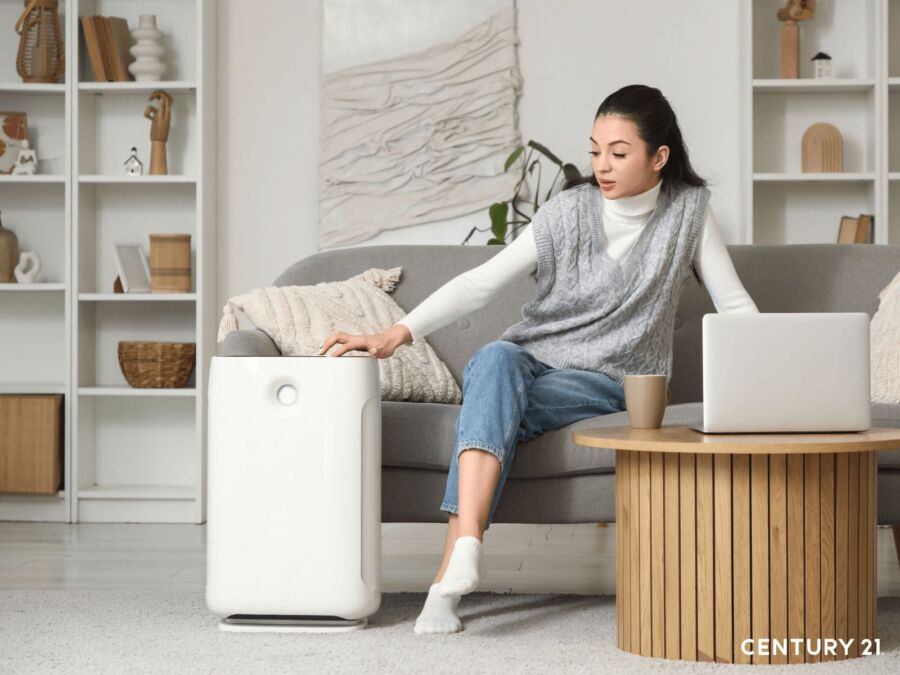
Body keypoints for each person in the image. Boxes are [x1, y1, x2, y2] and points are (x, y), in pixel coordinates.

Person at [319, 84, 760, 634]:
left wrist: (775, 378)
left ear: (659, 157)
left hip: (609, 381)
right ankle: (469, 548)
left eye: (618, 153)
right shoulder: (567, 211)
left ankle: (445, 582)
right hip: (530, 361)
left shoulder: (690, 214)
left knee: (494, 405)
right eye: (595, 150)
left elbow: (735, 305)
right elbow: (482, 284)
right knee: (496, 361)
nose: (601, 165)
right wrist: (396, 333)